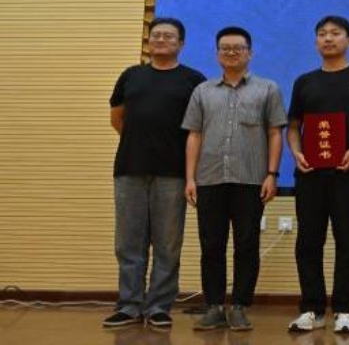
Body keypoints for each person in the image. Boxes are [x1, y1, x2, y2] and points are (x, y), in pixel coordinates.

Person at [287, 15, 349, 334]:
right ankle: (312, 309)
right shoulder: (304, 82)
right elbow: (293, 126)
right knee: (308, 241)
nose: (328, 38)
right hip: (310, 174)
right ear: (316, 41)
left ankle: (345, 310)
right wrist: (296, 152)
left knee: (348, 241)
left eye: (335, 33)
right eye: (322, 34)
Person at [182, 26, 287, 331]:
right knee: (211, 245)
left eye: (238, 48)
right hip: (209, 179)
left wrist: (272, 174)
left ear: (249, 53)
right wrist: (190, 178)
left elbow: (275, 133)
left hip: (251, 179)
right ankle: (214, 307)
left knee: (247, 244)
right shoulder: (202, 91)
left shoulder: (268, 89)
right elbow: (194, 135)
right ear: (217, 54)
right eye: (225, 48)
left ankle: (240, 306)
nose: (231, 52)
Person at [104, 17, 206, 328]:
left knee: (167, 243)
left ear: (181, 44)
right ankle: (130, 305)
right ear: (149, 41)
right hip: (129, 169)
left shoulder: (193, 80)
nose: (161, 39)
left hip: (173, 173)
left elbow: (200, 128)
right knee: (128, 242)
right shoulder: (131, 76)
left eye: (169, 36)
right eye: (156, 35)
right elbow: (117, 119)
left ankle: (159, 306)